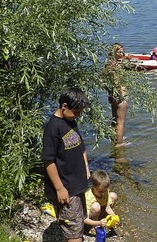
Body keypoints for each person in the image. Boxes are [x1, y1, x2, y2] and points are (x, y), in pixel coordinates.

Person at [42, 87, 91, 242]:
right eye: (76, 111)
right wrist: (59, 188)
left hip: (77, 185)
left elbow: (80, 145)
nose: (78, 115)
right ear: (64, 107)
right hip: (66, 187)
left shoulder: (71, 121)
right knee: (74, 233)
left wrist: (86, 166)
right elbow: (48, 161)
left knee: (75, 226)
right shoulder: (53, 128)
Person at [102, 43, 129, 147]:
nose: (122, 53)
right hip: (120, 95)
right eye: (119, 51)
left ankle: (115, 139)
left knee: (114, 119)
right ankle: (119, 144)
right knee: (120, 121)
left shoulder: (108, 64)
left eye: (122, 51)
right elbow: (117, 81)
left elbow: (101, 78)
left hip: (112, 95)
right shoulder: (116, 65)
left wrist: (109, 90)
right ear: (114, 52)